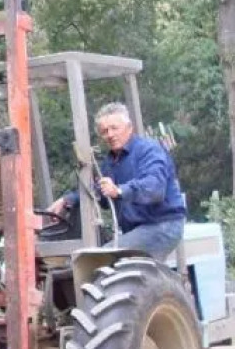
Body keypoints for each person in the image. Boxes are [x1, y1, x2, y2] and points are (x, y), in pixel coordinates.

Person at [47, 102, 187, 261]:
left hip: (161, 226)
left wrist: (119, 190)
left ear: (129, 127)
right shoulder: (111, 161)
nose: (110, 134)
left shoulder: (149, 150)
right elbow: (99, 192)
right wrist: (69, 199)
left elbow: (154, 188)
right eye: (105, 131)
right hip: (136, 230)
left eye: (114, 128)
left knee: (100, 259)